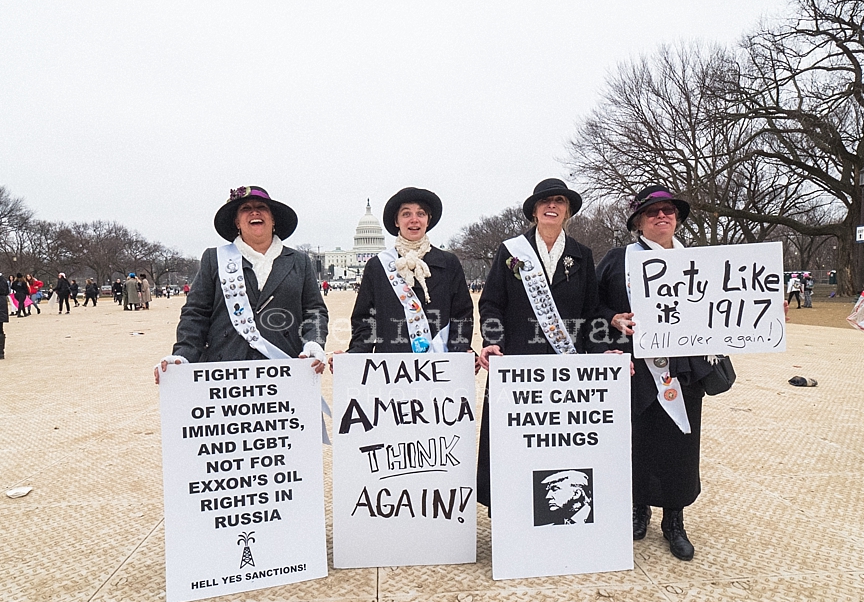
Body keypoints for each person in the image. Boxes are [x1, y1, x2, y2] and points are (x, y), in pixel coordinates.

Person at [596, 185, 719, 562]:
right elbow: (591, 306)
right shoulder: (618, 260)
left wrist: (767, 308)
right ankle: (638, 509)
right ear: (638, 223)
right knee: (636, 442)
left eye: (668, 211)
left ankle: (674, 520)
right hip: (634, 368)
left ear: (677, 219)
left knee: (680, 445)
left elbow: (726, 307)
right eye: (653, 213)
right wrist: (611, 319)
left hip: (682, 371)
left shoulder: (701, 262)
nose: (662, 217)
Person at [477, 178, 610, 511]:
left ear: (567, 211)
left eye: (560, 202)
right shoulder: (511, 252)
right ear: (534, 211)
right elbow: (491, 303)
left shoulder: (582, 255)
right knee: (512, 443)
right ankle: (510, 513)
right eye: (545, 202)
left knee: (560, 442)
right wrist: (493, 341)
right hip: (518, 365)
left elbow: (592, 312)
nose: (552, 206)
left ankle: (559, 514)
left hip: (567, 369)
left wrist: (599, 351)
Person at [155, 185, 328, 384]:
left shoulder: (299, 261)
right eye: (246, 208)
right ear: (237, 222)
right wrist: (184, 354)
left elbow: (314, 311)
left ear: (273, 220)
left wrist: (314, 342)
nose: (254, 212)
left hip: (286, 367)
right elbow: (196, 313)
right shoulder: (214, 259)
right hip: (228, 372)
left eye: (262, 207)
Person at [341, 187, 473, 359]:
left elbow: (461, 314)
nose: (414, 220)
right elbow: (365, 320)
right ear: (396, 221)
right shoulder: (377, 266)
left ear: (428, 220)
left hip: (440, 364)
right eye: (406, 214)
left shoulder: (448, 263)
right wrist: (355, 353)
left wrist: (460, 351)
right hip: (392, 364)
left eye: (421, 213)